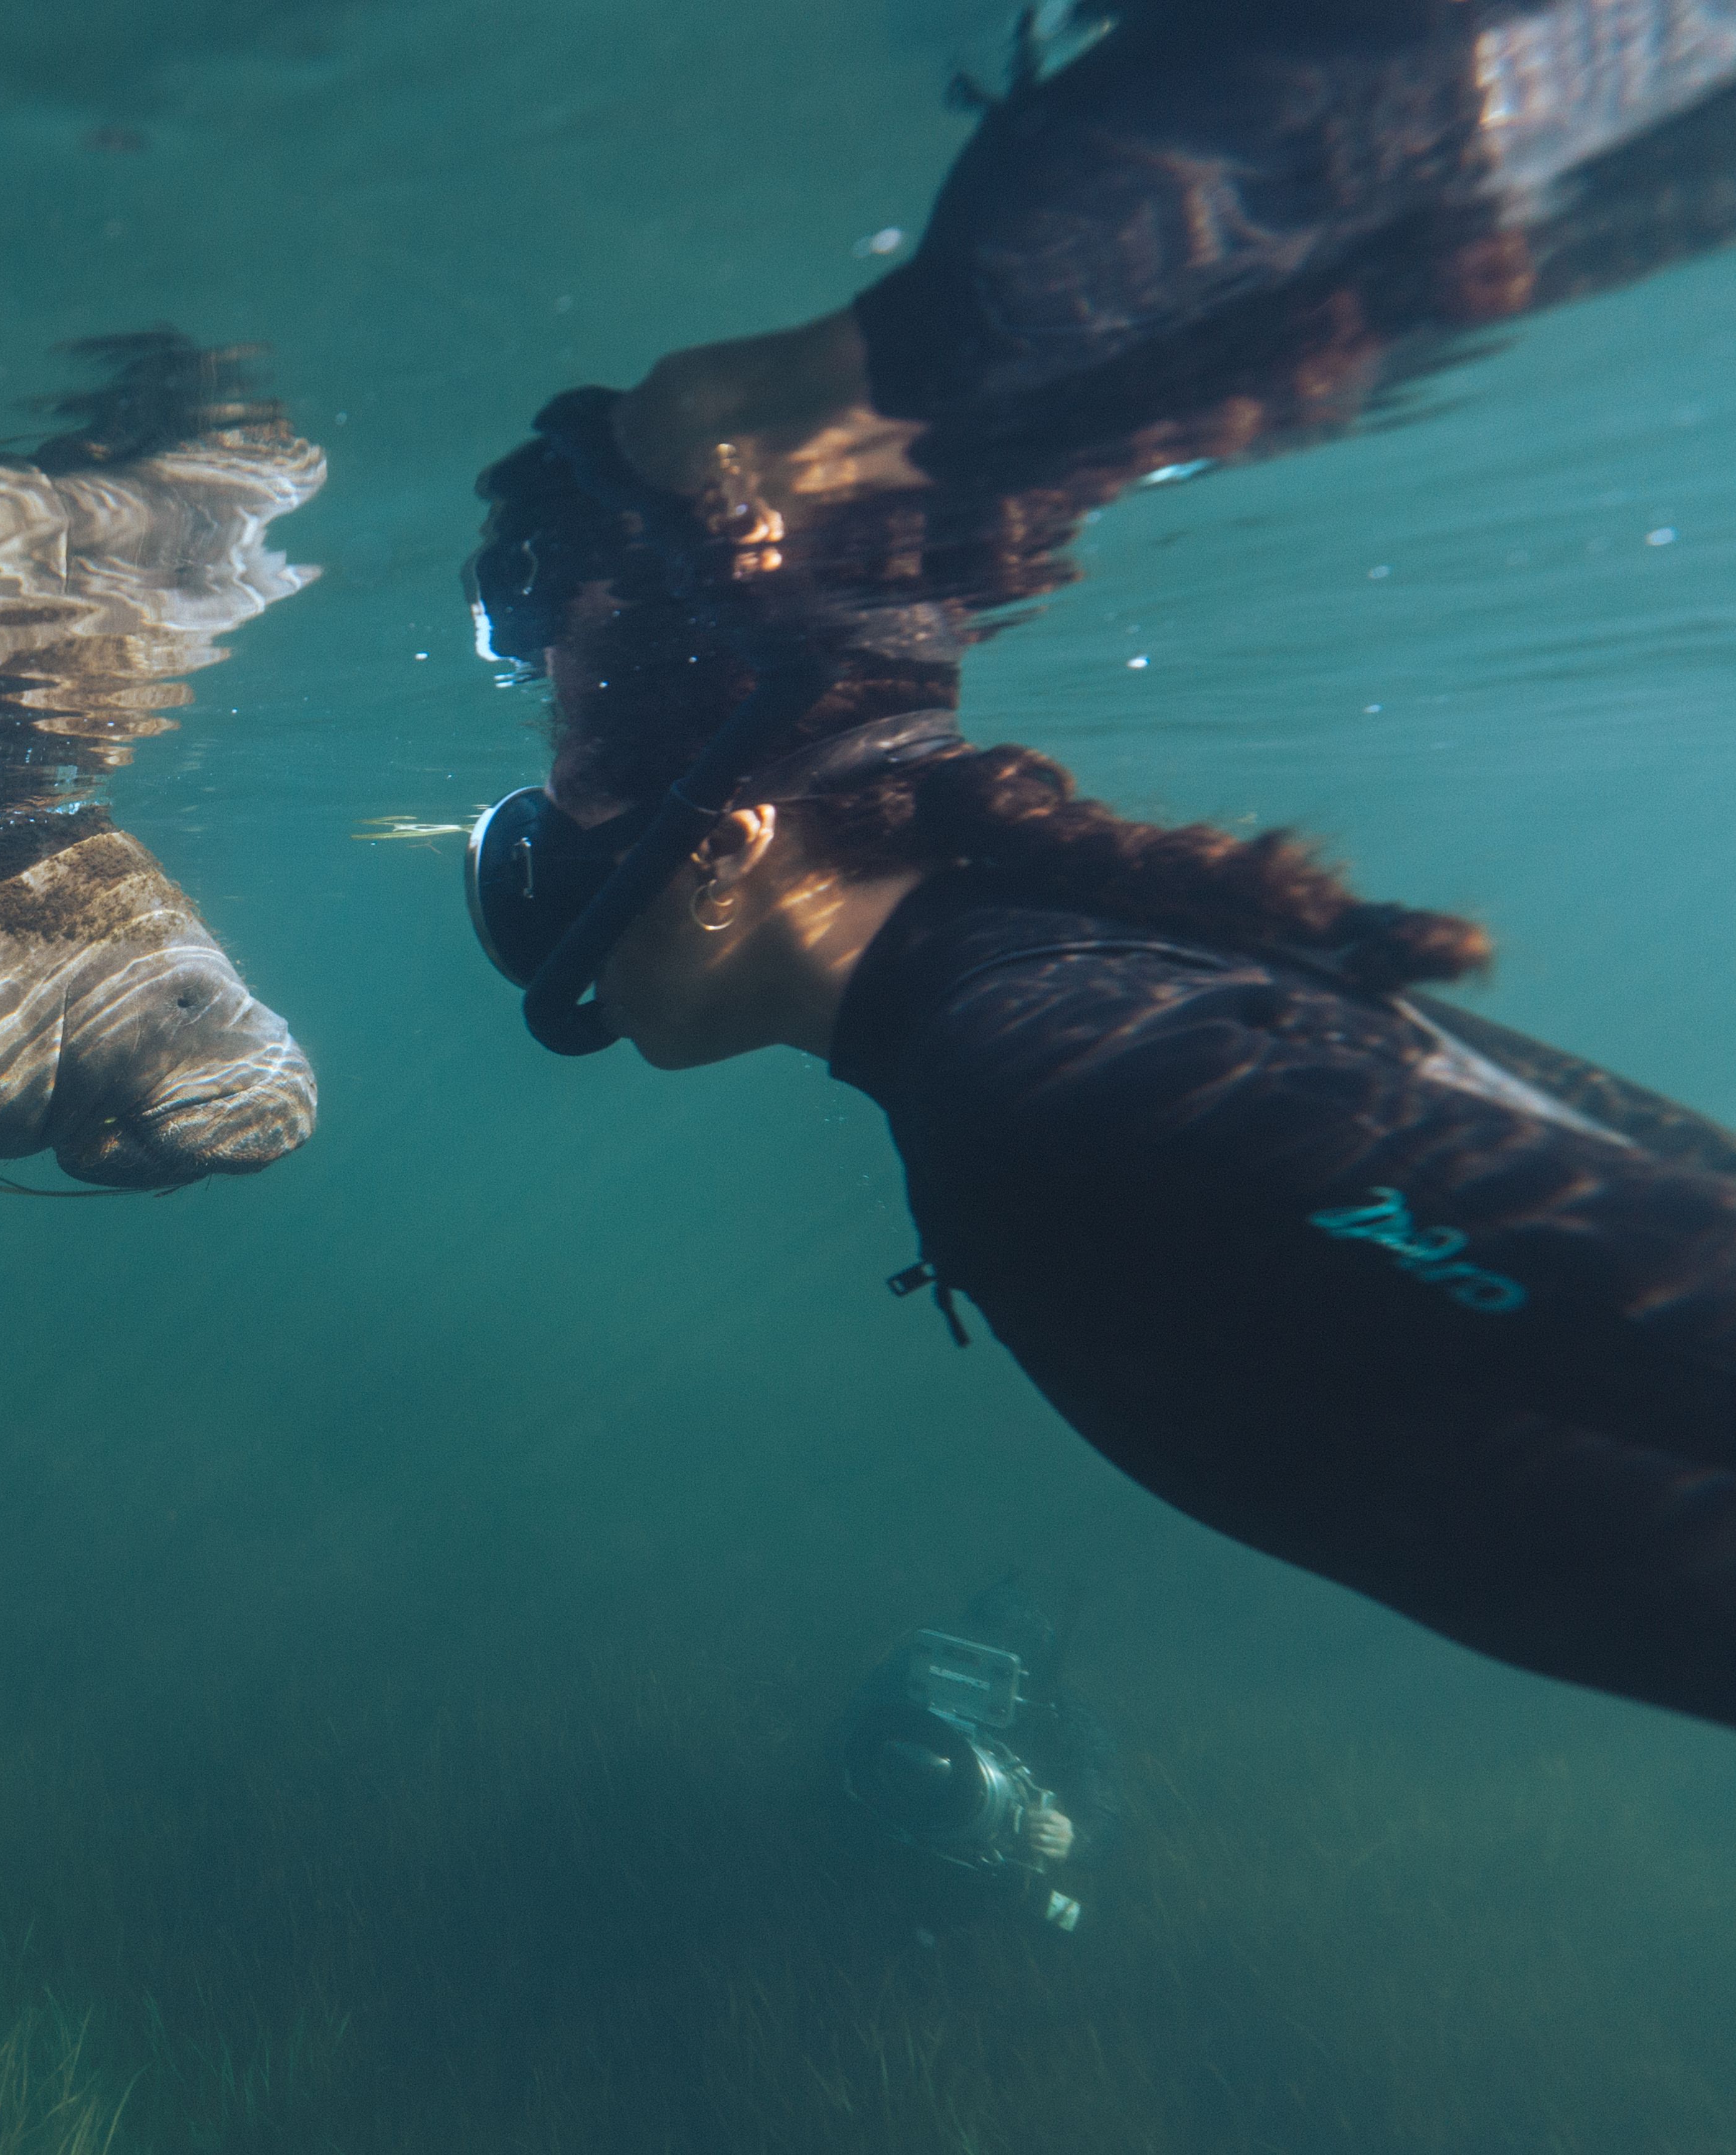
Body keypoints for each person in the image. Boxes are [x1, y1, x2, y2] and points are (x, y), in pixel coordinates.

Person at [462, 0, 1736, 1730]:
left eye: (555, 832)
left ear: (726, 847)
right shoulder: (1037, 1023)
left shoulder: (1048, 1074)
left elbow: (1663, 1295)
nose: (549, 907)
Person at [835, 1578, 1120, 1941]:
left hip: (990, 1881)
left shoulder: (1058, 1716)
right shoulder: (912, 1677)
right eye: (980, 1643)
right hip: (883, 1845)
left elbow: (1105, 1819)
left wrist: (1071, 1837)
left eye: (1006, 1653)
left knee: (1081, 1927)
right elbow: (846, 1739)